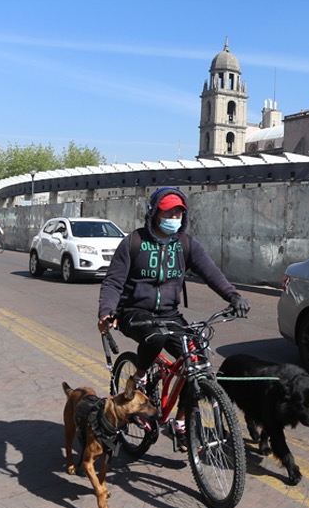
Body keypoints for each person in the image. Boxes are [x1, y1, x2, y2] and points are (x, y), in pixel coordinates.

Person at [96, 187, 249, 449]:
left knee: (197, 358)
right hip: (134, 312)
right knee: (157, 336)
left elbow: (211, 273)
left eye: (179, 211)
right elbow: (113, 282)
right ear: (155, 213)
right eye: (168, 211)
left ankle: (180, 421)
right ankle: (141, 376)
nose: (174, 216)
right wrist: (106, 311)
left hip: (169, 314)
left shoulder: (186, 244)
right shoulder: (133, 242)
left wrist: (232, 296)